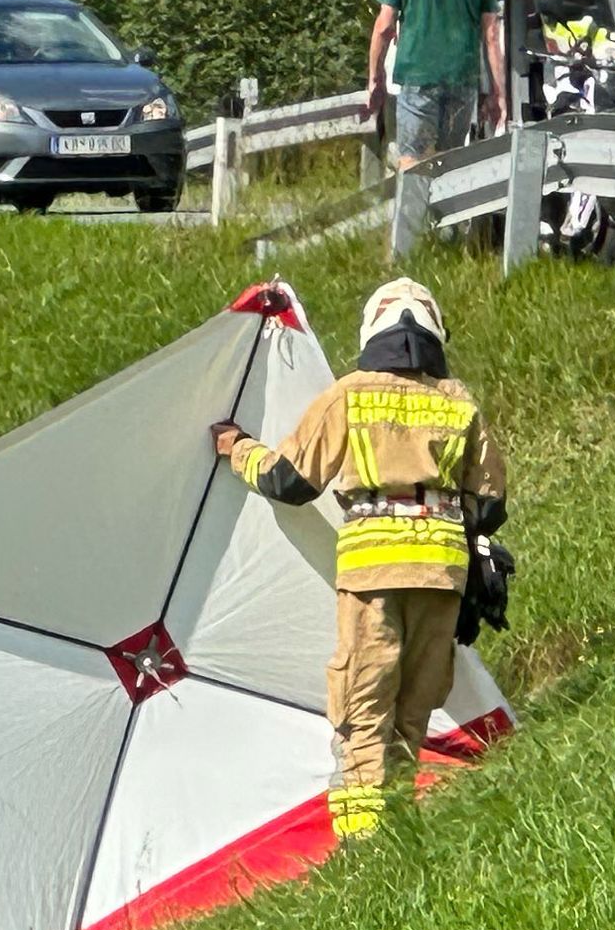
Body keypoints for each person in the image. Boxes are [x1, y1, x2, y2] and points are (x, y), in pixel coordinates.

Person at [210, 277, 507, 842]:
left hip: (373, 573)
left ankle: (365, 849)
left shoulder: (350, 395)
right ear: (436, 331)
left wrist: (236, 448)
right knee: (411, 714)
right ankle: (399, 829)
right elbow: (490, 506)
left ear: (372, 330)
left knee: (362, 712)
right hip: (441, 575)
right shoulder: (458, 402)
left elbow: (289, 481)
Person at [370, 0, 502, 169]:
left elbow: (384, 27)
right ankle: (442, 211)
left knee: (412, 161)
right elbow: (491, 37)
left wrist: (376, 79)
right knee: (449, 164)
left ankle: (415, 212)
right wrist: (498, 93)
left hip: (418, 79)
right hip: (462, 82)